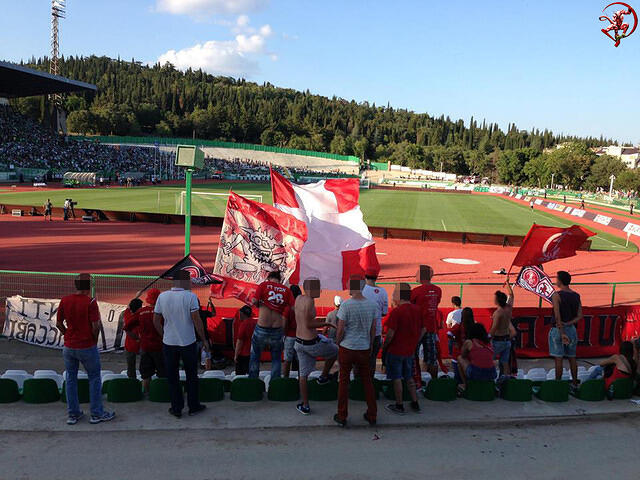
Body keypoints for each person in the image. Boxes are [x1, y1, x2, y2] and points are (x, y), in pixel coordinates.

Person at [56, 273, 115, 425]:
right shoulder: (90, 302)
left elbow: (59, 324)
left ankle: (73, 414)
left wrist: (67, 334)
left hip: (69, 346)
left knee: (71, 379)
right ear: (88, 287)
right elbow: (95, 326)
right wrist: (93, 341)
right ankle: (96, 413)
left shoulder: (65, 300)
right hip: (86, 346)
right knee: (94, 379)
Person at [153, 270, 208, 418]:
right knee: (192, 375)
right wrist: (204, 340)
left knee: (172, 377)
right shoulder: (190, 297)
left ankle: (176, 407)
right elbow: (197, 321)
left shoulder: (162, 297)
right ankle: (193, 405)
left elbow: (156, 320)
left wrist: (164, 335)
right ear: (184, 282)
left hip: (169, 343)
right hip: (188, 342)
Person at [334, 276, 378, 427]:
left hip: (347, 347)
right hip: (364, 347)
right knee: (367, 381)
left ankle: (342, 415)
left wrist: (338, 342)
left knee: (344, 381)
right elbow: (373, 329)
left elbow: (340, 329)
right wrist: (370, 344)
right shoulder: (372, 305)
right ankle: (372, 414)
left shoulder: (346, 305)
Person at [294, 278, 339, 415]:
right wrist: (327, 324)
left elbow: (304, 320)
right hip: (310, 343)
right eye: (317, 288)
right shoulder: (309, 301)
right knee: (334, 351)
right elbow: (309, 324)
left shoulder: (299, 299)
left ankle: (305, 405)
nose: (320, 291)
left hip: (299, 342)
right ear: (310, 289)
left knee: (303, 375)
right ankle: (324, 376)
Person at [382, 283, 423, 415]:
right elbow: (424, 328)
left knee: (397, 378)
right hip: (409, 350)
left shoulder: (397, 312)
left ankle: (399, 405)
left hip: (396, 350)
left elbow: (390, 334)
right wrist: (415, 341)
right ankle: (415, 402)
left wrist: (385, 347)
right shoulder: (417, 310)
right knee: (409, 376)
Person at [249, 271, 294, 379]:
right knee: (276, 358)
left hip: (262, 327)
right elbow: (293, 307)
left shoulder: (264, 285)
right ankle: (275, 384)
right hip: (277, 328)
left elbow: (254, 301)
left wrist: (259, 304)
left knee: (255, 356)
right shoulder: (286, 290)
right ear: (279, 279)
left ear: (269, 278)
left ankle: (253, 381)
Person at [128, 288, 165, 394]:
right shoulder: (163, 312)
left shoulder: (141, 312)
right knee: (163, 373)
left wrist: (137, 338)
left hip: (145, 347)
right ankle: (161, 394)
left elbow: (127, 327)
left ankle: (147, 394)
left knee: (146, 374)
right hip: (159, 347)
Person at [549, 270, 582, 389]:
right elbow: (579, 315)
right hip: (571, 330)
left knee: (559, 359)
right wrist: (569, 323)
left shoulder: (556, 295)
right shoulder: (576, 295)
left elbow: (557, 316)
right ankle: (574, 384)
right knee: (572, 357)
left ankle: (558, 385)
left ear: (560, 281)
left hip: (559, 331)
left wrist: (562, 332)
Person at [411, 265, 442, 379]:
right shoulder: (438, 290)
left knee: (413, 355)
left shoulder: (416, 291)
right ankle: (434, 382)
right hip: (431, 328)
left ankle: (415, 380)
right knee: (432, 358)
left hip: (418, 328)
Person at [362, 269, 389, 375]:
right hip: (376, 331)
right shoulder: (383, 291)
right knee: (372, 360)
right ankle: (370, 384)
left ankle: (358, 384)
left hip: (360, 331)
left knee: (358, 360)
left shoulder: (360, 289)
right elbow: (384, 313)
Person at [457, 323, 497, 390]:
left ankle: (465, 384)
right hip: (492, 374)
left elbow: (463, 354)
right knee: (492, 361)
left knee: (460, 358)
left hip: (476, 373)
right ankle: (491, 385)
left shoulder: (469, 342)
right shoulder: (488, 342)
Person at [489, 280, 516, 377]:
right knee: (505, 363)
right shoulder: (508, 308)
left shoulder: (498, 313)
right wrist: (508, 284)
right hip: (507, 340)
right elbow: (511, 295)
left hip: (497, 341)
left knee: (489, 360)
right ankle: (506, 381)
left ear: (498, 301)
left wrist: (488, 338)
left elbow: (494, 328)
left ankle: (490, 378)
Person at [283, 285, 302, 378]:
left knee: (287, 360)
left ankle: (286, 380)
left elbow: (285, 323)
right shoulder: (302, 306)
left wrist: (284, 334)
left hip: (290, 336)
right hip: (301, 336)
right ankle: (300, 380)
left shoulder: (288, 307)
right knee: (301, 361)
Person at [123, 298, 142, 379]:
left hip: (129, 346)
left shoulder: (127, 314)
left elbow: (128, 307)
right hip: (141, 345)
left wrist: (135, 297)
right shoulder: (141, 316)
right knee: (145, 367)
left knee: (131, 368)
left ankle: (132, 382)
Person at [234, 306, 256, 375]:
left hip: (243, 355)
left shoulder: (244, 325)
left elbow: (240, 342)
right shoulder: (256, 323)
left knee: (240, 376)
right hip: (253, 353)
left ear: (243, 314)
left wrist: (236, 355)